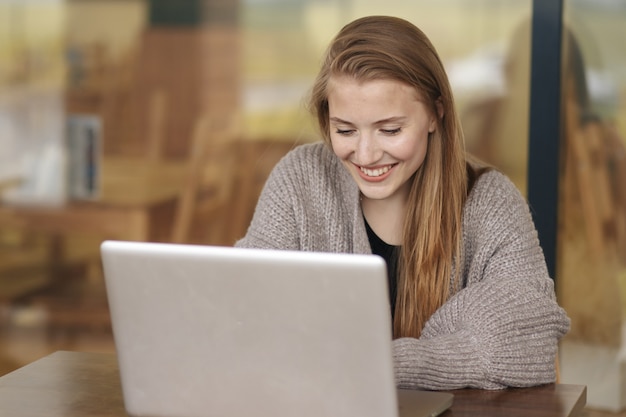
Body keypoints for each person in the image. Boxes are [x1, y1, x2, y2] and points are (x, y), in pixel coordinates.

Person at [236, 15, 570, 390]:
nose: (365, 154)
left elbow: (531, 339)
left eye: (390, 130)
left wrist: (387, 364)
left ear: (435, 113)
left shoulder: (490, 203)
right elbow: (247, 310)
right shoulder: (300, 179)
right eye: (345, 130)